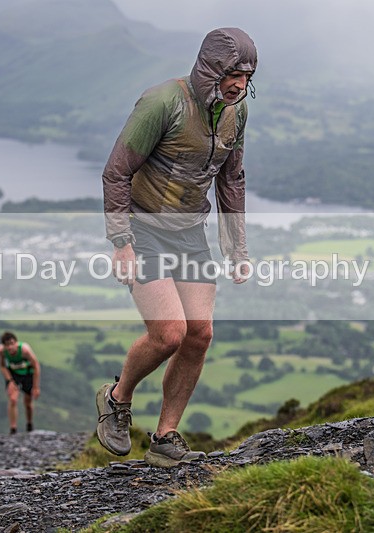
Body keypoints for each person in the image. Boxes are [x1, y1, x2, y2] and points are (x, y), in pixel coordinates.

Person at [97, 28, 257, 467]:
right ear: (210, 69)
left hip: (189, 231)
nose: (239, 84)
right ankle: (117, 398)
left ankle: (165, 436)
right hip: (143, 226)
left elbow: (231, 180)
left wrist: (237, 249)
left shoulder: (235, 115)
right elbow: (115, 173)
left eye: (247, 75)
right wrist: (121, 242)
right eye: (232, 73)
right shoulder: (162, 102)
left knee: (199, 335)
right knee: (169, 334)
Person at [0, 331, 41, 434]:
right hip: (14, 374)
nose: (10, 347)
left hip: (28, 373)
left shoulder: (25, 350)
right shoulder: (1, 351)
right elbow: (2, 366)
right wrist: (10, 381)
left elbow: (36, 366)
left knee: (28, 402)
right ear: (4, 346)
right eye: (7, 345)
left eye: (12, 344)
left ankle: (29, 424)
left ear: (16, 343)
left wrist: (36, 387)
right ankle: (13, 429)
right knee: (13, 399)